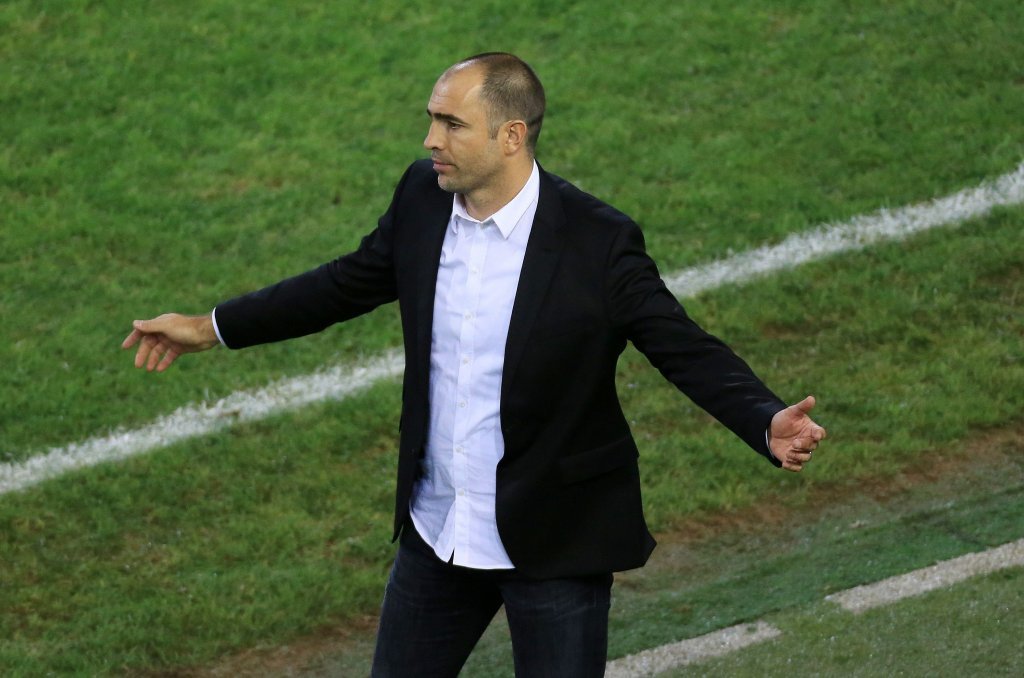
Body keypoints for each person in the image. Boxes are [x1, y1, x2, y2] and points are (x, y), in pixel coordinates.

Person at [122, 52, 826, 677]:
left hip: (554, 541)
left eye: (452, 124)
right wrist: (210, 328)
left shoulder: (596, 241)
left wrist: (762, 417)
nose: (431, 139)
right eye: (432, 120)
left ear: (510, 136)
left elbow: (680, 345)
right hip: (439, 532)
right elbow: (342, 285)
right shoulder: (422, 200)